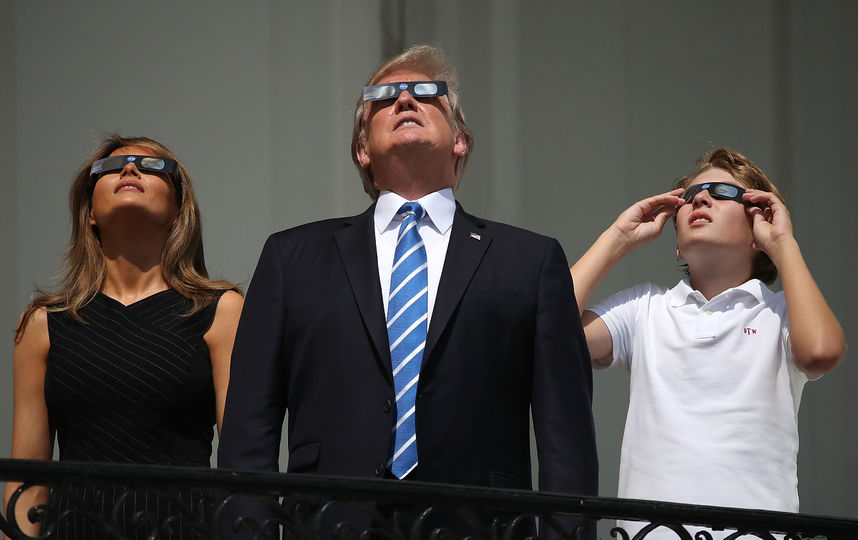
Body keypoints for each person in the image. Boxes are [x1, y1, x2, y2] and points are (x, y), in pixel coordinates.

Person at [218, 45, 598, 538]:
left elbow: (566, 436)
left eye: (426, 92)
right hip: (330, 523)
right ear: (362, 149)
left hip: (481, 526)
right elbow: (250, 427)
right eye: (382, 97)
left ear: (460, 139)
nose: (404, 100)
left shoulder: (530, 260)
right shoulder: (292, 257)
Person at [570, 148, 846, 539]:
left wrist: (783, 244)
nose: (700, 198)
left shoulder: (781, 313)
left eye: (722, 192)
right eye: (688, 197)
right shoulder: (644, 308)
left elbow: (820, 352)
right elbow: (550, 333)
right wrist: (617, 239)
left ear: (758, 230)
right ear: (677, 245)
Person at [4, 135, 243, 540]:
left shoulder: (220, 311)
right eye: (111, 167)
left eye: (151, 166)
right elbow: (27, 483)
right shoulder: (43, 323)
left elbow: (242, 466)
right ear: (89, 213)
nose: (129, 169)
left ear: (178, 209)